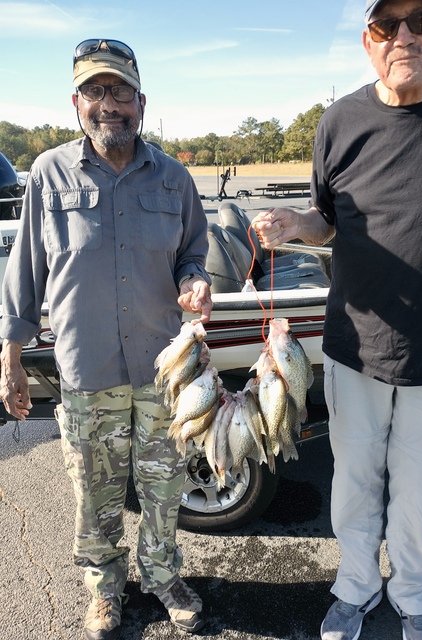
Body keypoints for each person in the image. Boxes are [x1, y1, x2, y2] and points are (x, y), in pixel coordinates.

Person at [252, 1, 422, 639]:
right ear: (368, 41)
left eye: (420, 20)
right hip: (354, 346)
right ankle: (354, 587)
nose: (403, 36)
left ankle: (412, 595)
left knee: (421, 486)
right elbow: (327, 218)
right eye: (386, 25)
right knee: (353, 482)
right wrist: (298, 224)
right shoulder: (340, 120)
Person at [0, 39, 212, 639]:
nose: (108, 104)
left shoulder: (173, 178)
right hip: (86, 369)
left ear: (140, 101)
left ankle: (164, 575)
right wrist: (10, 358)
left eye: (119, 90)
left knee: (164, 487)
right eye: (95, 91)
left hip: (162, 369)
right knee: (93, 494)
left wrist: (195, 280)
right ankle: (105, 588)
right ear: (76, 102)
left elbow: (193, 251)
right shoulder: (48, 172)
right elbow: (25, 272)